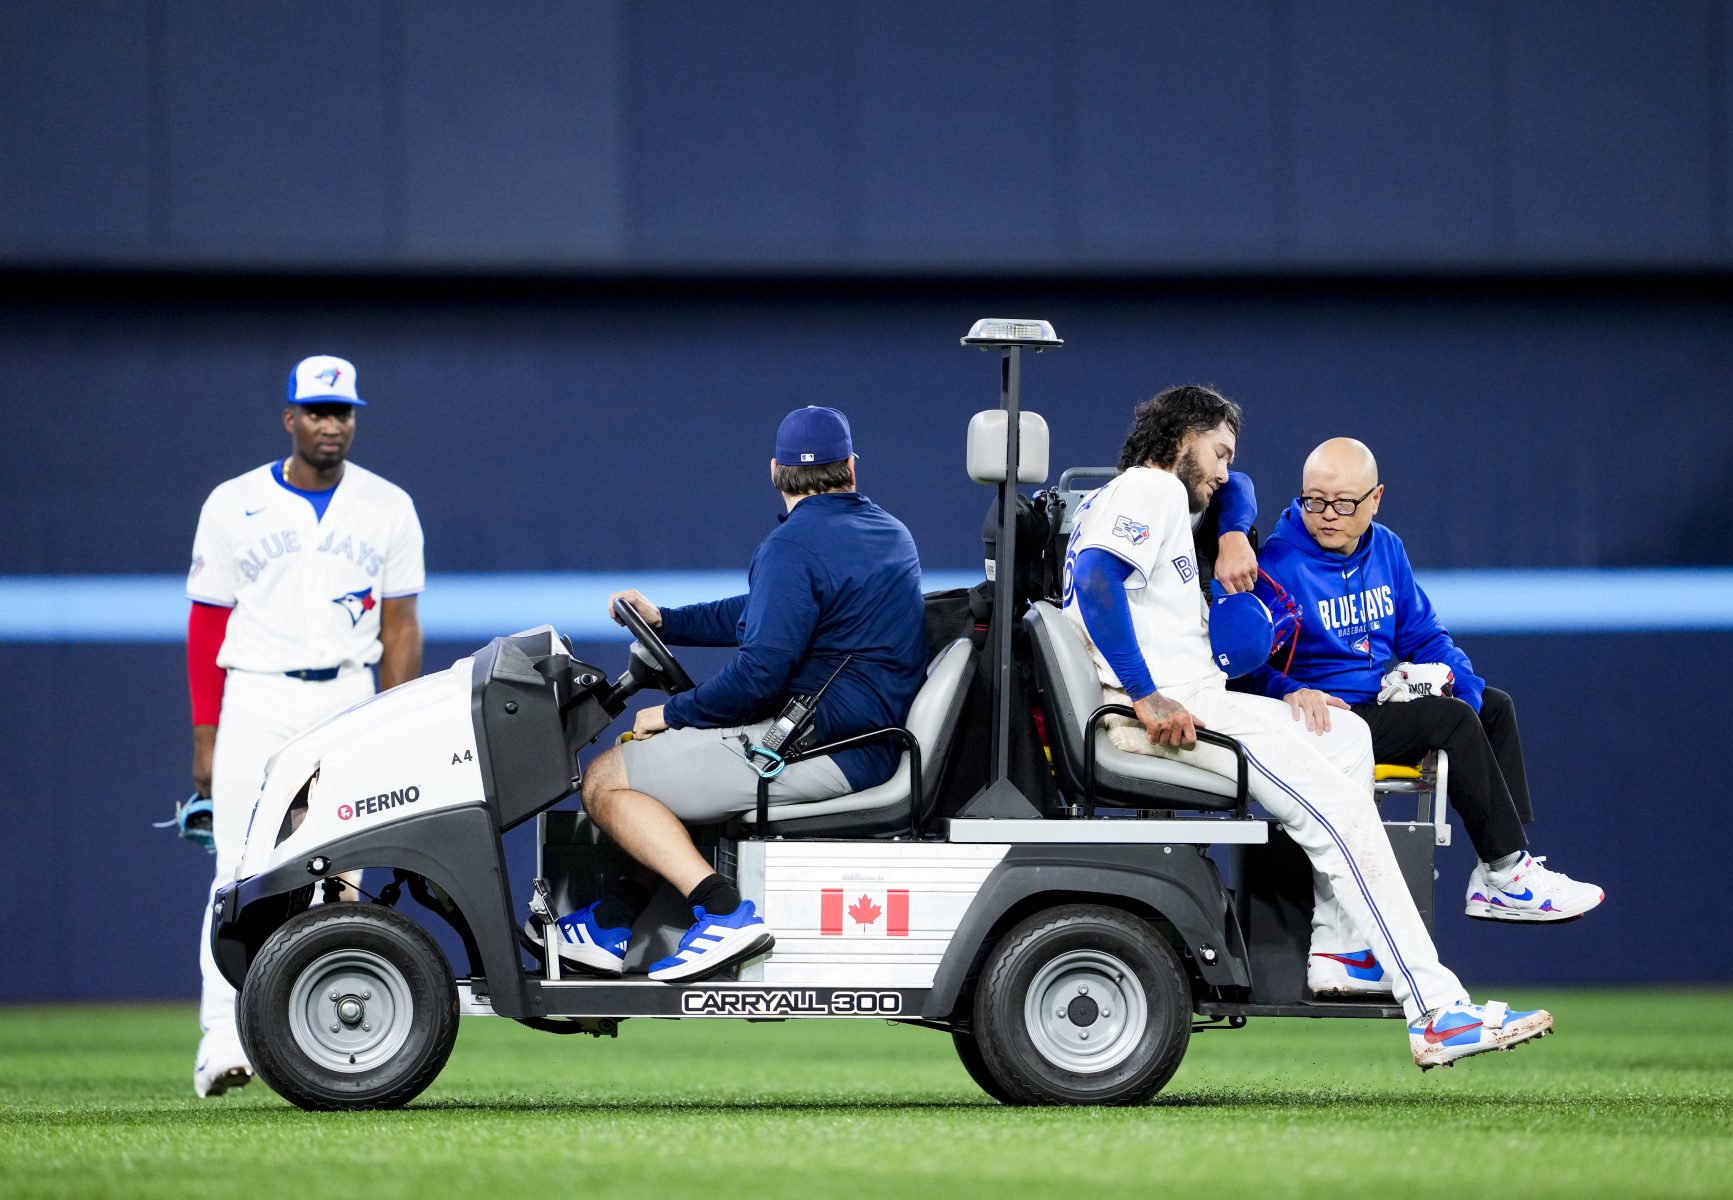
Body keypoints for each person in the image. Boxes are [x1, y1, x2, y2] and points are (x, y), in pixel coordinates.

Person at [1061, 384, 1553, 1068]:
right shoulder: (1155, 491)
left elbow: (1237, 494)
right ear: (1181, 442)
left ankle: (1340, 948)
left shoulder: (1118, 495)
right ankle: (1437, 1010)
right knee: (1343, 815)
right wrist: (1146, 696)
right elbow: (1093, 583)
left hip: (1190, 697)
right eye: (1218, 452)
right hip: (1176, 707)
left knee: (1346, 734)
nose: (1224, 471)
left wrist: (1231, 527)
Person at [551, 406, 926, 984]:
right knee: (673, 769)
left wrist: (672, 713)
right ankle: (616, 920)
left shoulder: (793, 546)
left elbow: (760, 674)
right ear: (851, 467)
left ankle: (723, 915)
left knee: (607, 777)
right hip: (861, 742)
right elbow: (759, 617)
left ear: (776, 471)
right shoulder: (889, 534)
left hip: (824, 750)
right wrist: (666, 621)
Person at [1239, 437, 1603, 997]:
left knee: (1493, 707)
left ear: (1375, 499)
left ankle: (1501, 868)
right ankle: (1506, 870)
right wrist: (1291, 690)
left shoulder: (1386, 548)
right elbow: (1243, 670)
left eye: (1343, 503)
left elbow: (1424, 636)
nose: (1328, 516)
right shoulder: (1276, 566)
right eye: (1315, 501)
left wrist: (1466, 684)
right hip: (1330, 721)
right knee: (1453, 722)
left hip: (1379, 703)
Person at [183, 355, 424, 1096]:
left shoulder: (388, 505)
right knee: (237, 871)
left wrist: (396, 720)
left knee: (342, 872)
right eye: (317, 411)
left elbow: (401, 626)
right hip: (256, 696)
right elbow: (205, 623)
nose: (331, 424)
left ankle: (318, 1042)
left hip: (347, 696)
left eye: (342, 412)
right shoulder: (233, 502)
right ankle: (223, 1039)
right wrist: (205, 732)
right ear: (290, 418)